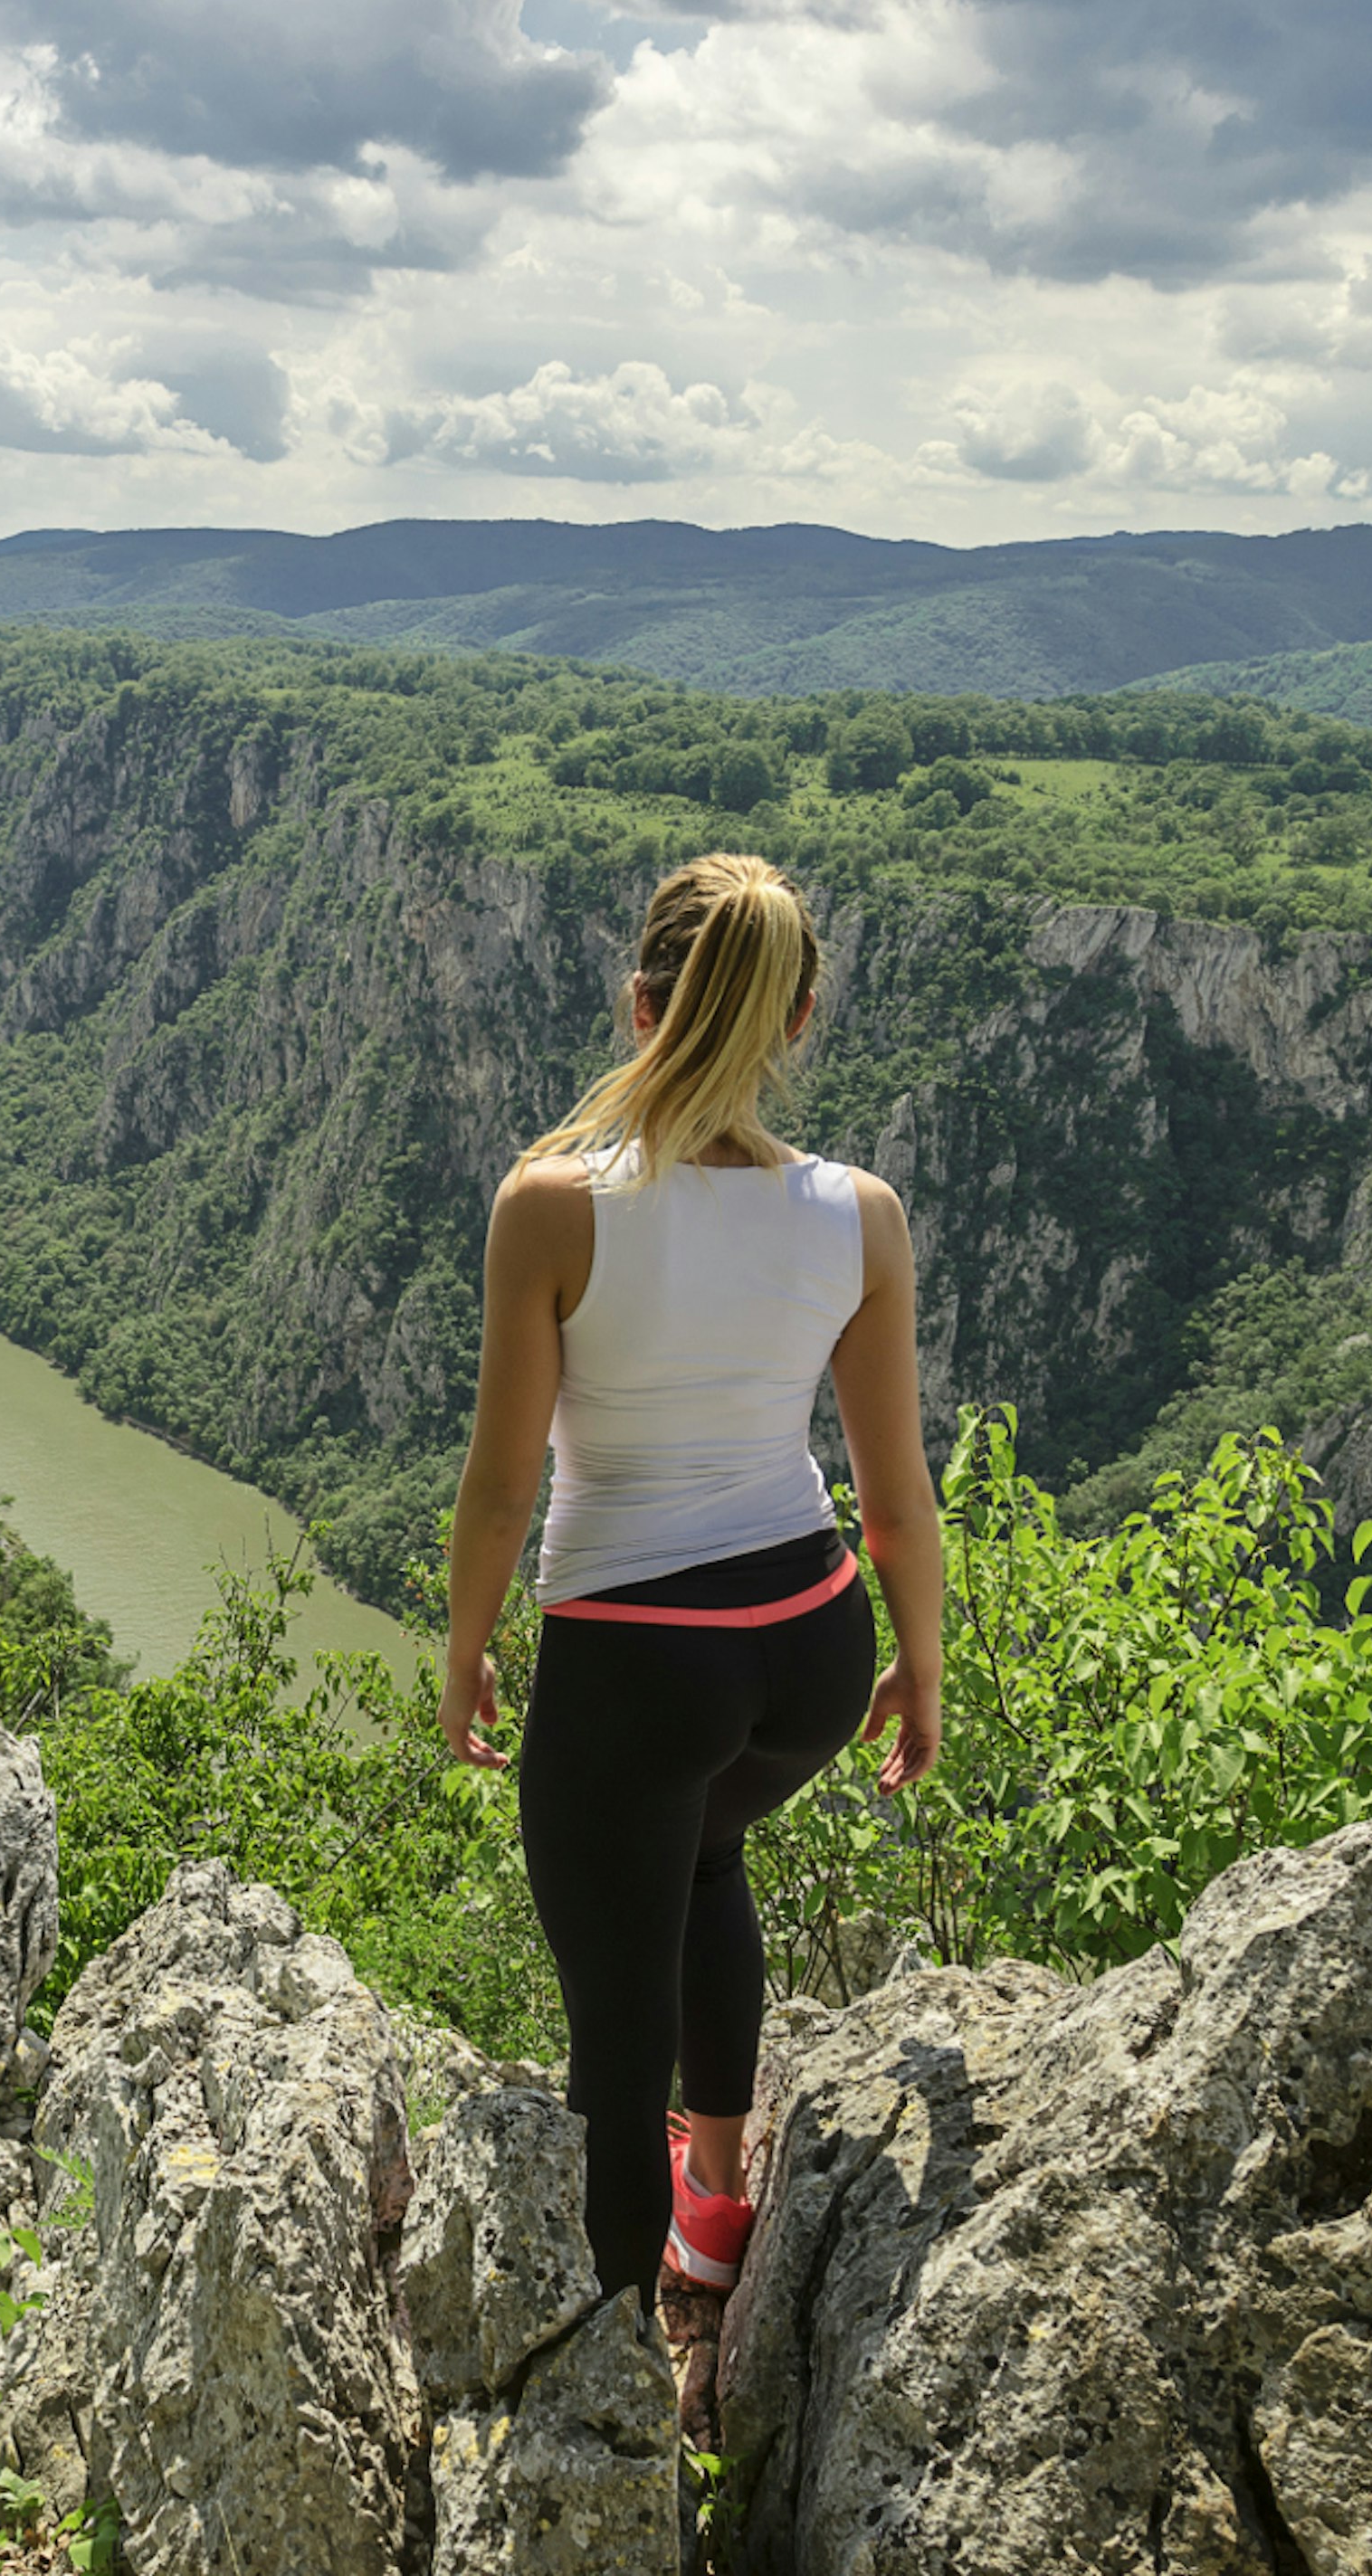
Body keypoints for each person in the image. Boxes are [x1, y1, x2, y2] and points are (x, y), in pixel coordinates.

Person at [436, 849, 943, 2304]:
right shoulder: (864, 1215)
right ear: (795, 1025)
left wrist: (468, 1646)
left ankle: (615, 2384)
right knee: (706, 1852)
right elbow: (895, 1497)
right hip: (810, 1641)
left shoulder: (553, 1205)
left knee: (612, 2037)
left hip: (633, 1663)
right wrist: (919, 1664)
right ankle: (715, 2212)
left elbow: (501, 1484)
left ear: (637, 1004)